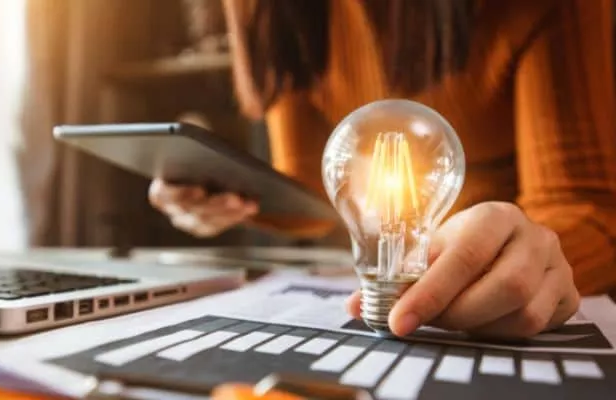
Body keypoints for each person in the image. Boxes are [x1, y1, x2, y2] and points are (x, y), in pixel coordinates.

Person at [149, 0, 616, 339]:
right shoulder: (270, 9)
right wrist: (232, 194)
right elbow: (316, 187)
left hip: (493, 268)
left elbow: (584, 206)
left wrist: (517, 259)